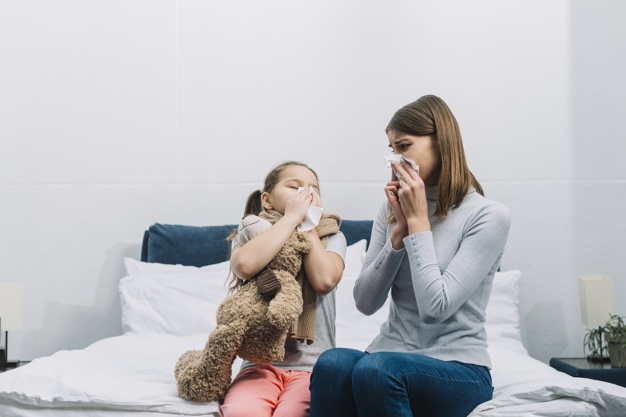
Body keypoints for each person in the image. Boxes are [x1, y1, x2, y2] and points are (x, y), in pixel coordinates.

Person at [309, 95, 511, 417]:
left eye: (404, 147)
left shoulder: (488, 216)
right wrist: (399, 234)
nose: (395, 160)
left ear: (440, 143)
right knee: (333, 363)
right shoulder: (389, 211)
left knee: (378, 369)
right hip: (385, 357)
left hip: (458, 367)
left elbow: (436, 308)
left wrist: (418, 223)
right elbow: (365, 302)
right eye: (392, 150)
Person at [220, 161, 346, 417]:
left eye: (313, 188)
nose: (306, 193)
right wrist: (290, 219)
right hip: (258, 364)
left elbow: (324, 281)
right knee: (241, 412)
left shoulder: (331, 236)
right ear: (267, 200)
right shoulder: (250, 232)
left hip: (313, 367)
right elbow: (244, 266)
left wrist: (307, 225)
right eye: (294, 186)